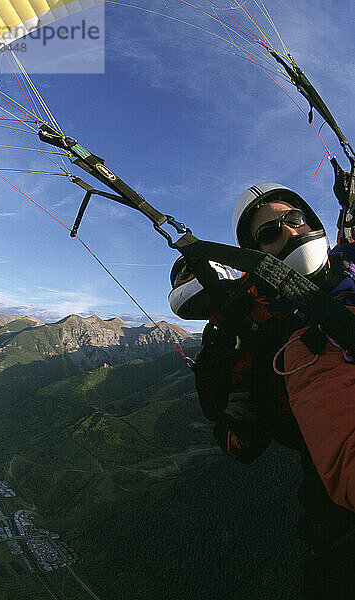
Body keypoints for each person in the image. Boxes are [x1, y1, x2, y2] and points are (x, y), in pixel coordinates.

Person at [169, 182, 355, 599]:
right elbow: (346, 451)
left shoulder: (347, 266)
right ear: (256, 258)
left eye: (293, 219)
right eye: (269, 233)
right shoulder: (303, 342)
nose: (289, 231)